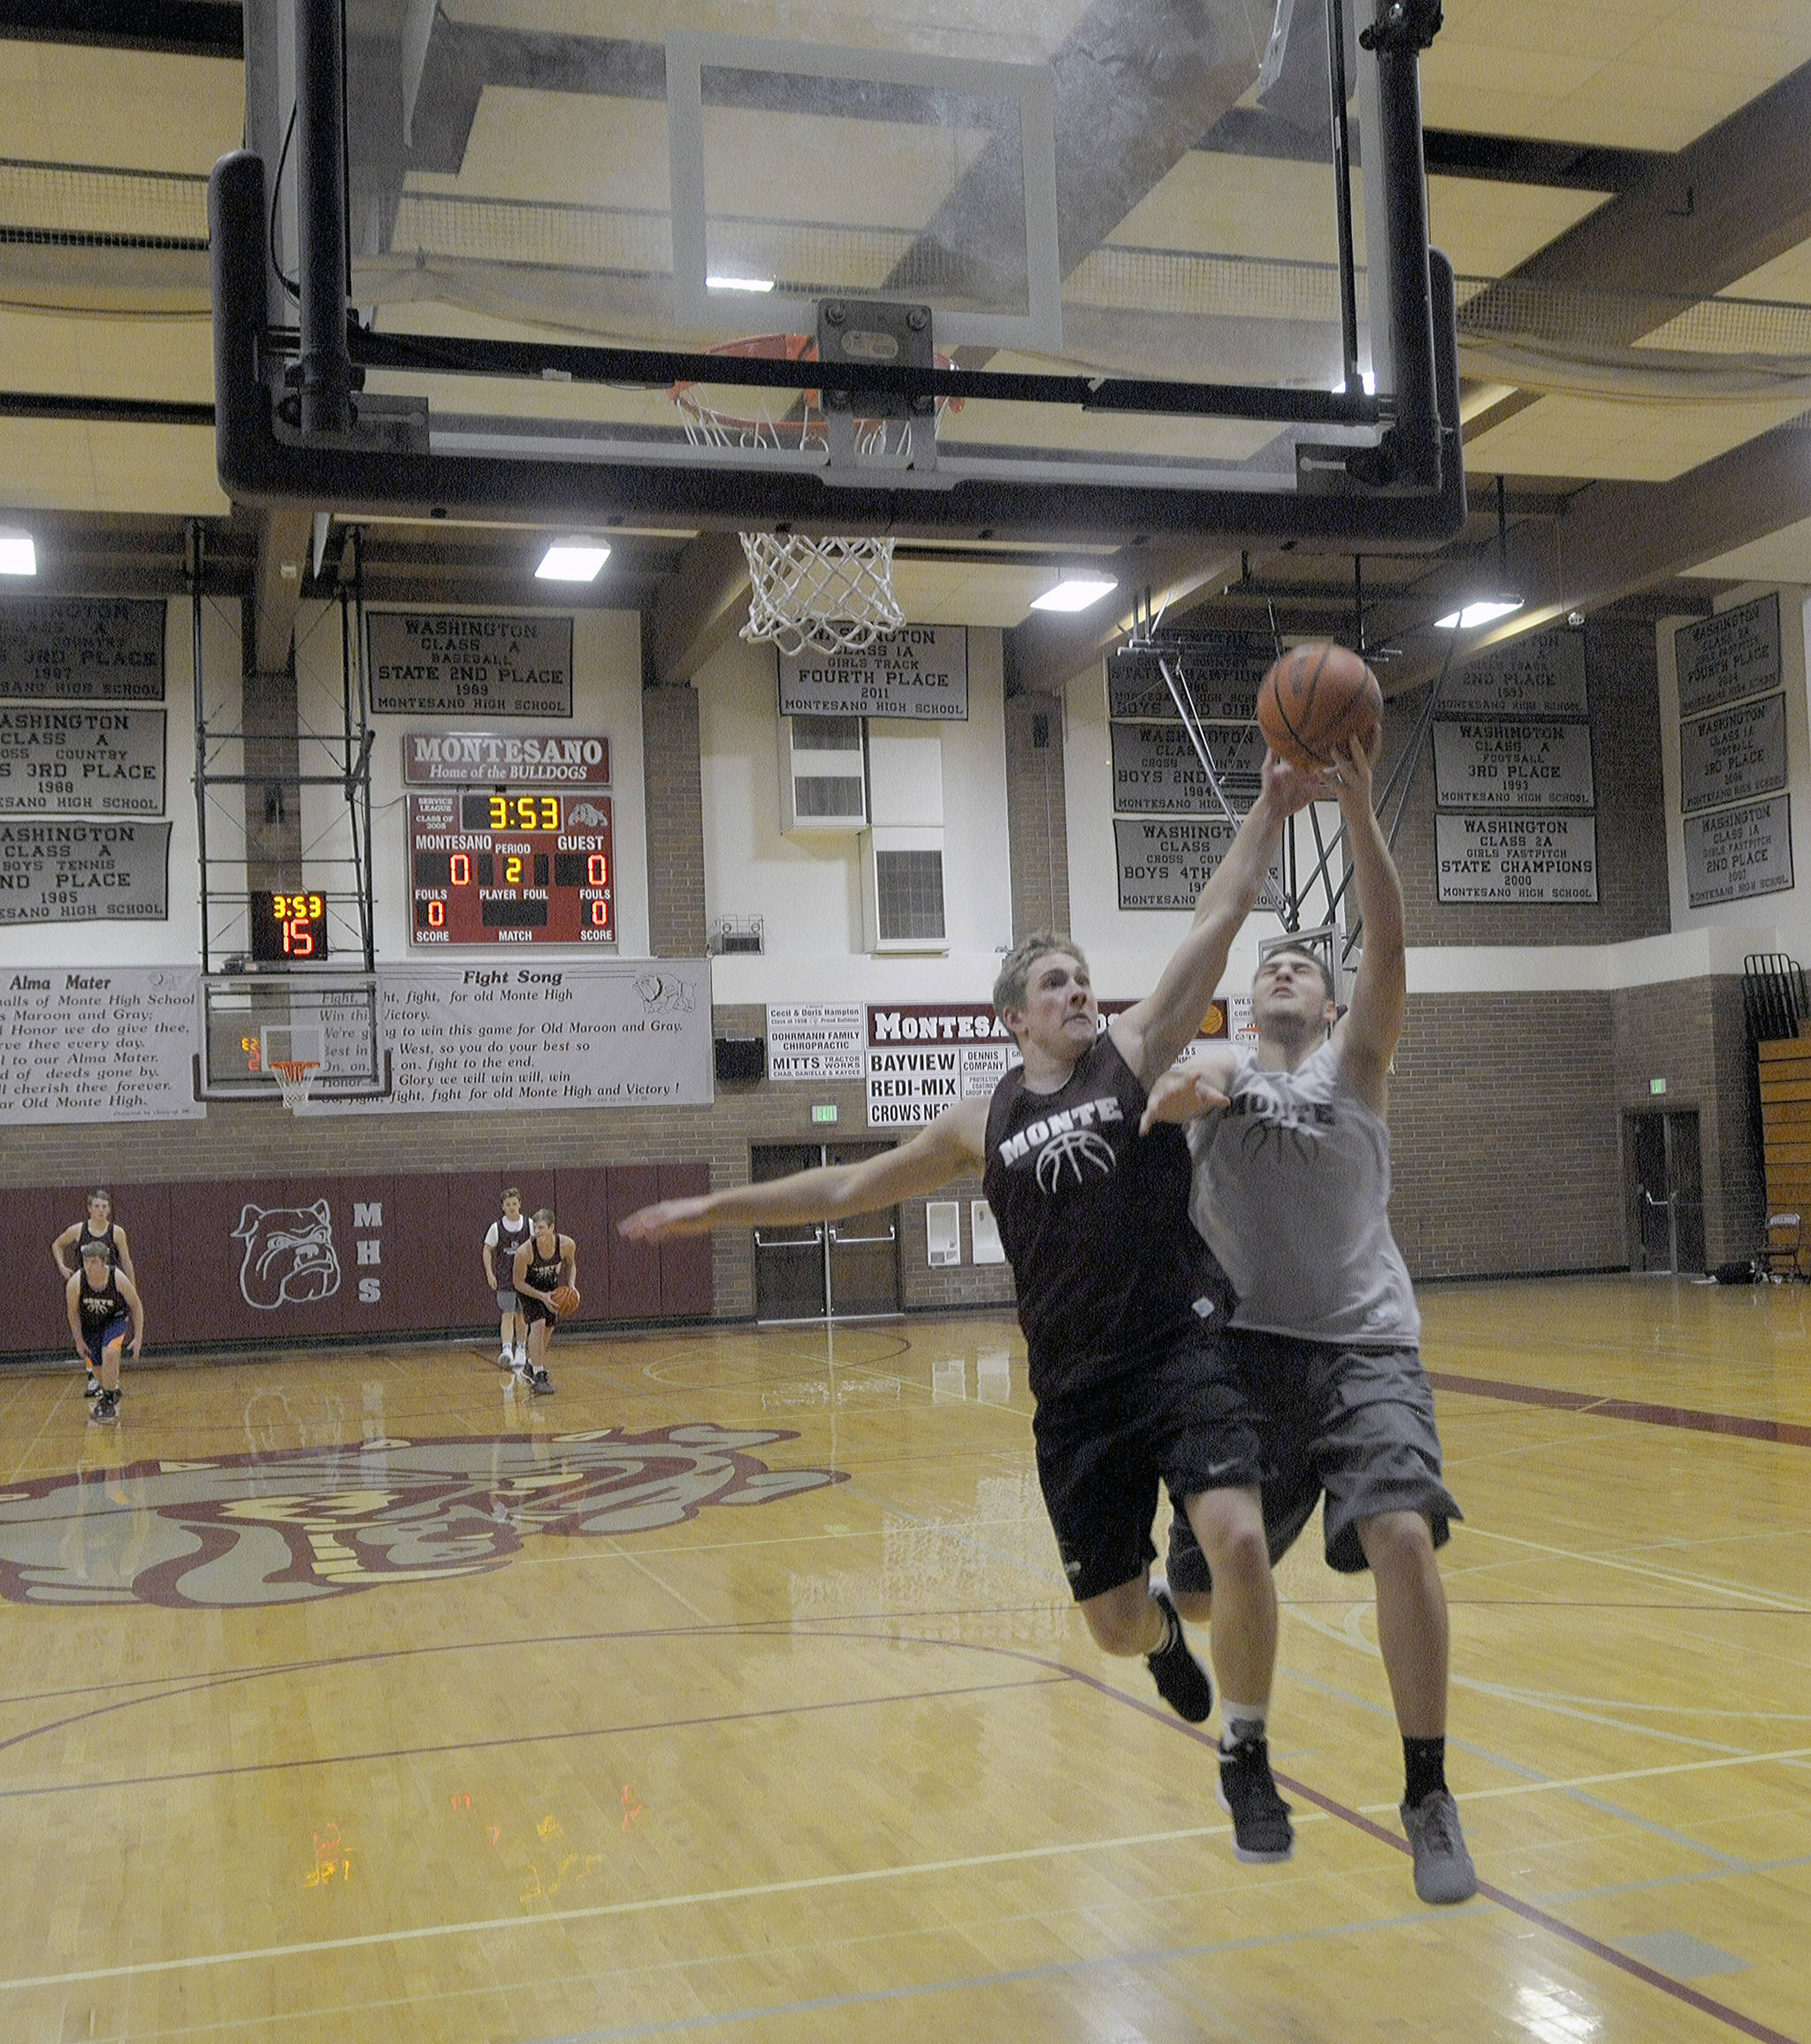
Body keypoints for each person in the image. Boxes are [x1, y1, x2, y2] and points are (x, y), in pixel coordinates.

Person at [620, 752, 1333, 1865]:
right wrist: (715, 1203)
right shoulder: (976, 1118)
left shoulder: (1134, 1053)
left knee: (1234, 1537)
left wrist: (1271, 806)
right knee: (1110, 1621)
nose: (1075, 991)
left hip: (1177, 1345)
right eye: (1052, 982)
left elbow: (1219, 910)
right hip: (1075, 1390)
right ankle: (1153, 1639)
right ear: (1011, 1014)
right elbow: (847, 1187)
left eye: (1081, 975)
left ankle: (1246, 1756)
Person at [1142, 730, 1475, 1906]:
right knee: (1204, 1581)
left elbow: (1386, 936)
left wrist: (1358, 811)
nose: (1282, 971)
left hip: (1367, 1345)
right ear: (1243, 1002)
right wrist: (1180, 1096)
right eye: (1266, 968)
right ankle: (1163, 1620)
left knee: (1401, 1534)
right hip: (1237, 1358)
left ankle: (1426, 1789)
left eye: (1301, 968)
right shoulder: (1216, 1075)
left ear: (1332, 1004)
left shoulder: (1358, 1067)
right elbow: (1176, 1069)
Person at [52, 1189, 137, 1400]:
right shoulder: (78, 1230)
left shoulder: (116, 1232)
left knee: (111, 1343)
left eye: (105, 1206)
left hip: (111, 1290)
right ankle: (93, 1377)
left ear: (109, 1209)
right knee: (89, 1333)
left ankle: (111, 1382)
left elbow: (126, 1261)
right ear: (89, 1209)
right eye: (97, 1206)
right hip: (86, 1288)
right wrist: (62, 1267)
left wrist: (132, 1289)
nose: (101, 1210)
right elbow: (57, 1244)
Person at [65, 1240, 143, 1426]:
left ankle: (107, 1401)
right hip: (91, 1326)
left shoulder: (117, 1278)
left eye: (93, 1262)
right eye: (86, 1261)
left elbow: (136, 1305)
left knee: (110, 1352)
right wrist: (78, 1340)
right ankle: (110, 1392)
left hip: (114, 1321)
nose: (89, 1266)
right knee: (99, 1371)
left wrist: (138, 1337)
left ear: (104, 1261)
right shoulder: (76, 1282)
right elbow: (72, 1312)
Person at [510, 1209, 575, 1396]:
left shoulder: (566, 1245)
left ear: (552, 1228)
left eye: (541, 1228)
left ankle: (531, 1363)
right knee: (538, 1324)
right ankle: (539, 1375)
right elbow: (518, 1283)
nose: (537, 1232)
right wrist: (541, 1297)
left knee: (548, 1328)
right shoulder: (524, 1252)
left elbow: (571, 1264)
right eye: (535, 1228)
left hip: (550, 1288)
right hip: (529, 1289)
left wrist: (571, 1285)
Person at [484, 1186, 531, 1374]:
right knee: (507, 1313)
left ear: (519, 1204)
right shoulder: (497, 1227)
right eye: (508, 1204)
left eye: (514, 1203)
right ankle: (506, 1349)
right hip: (505, 1278)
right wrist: (489, 1273)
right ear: (502, 1207)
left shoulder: (529, 1225)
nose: (512, 1207)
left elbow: (537, 1248)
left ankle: (521, 1349)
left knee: (522, 1316)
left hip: (526, 1279)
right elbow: (487, 1249)